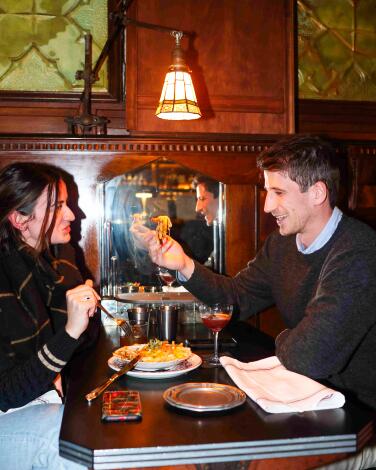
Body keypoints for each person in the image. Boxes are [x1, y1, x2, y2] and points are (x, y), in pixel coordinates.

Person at [131, 134, 376, 412]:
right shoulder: (281, 244)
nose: (267, 206)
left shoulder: (360, 251)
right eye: (268, 191)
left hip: (361, 418)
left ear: (318, 193)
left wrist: (285, 337)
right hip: (307, 398)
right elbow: (235, 298)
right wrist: (184, 264)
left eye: (279, 193)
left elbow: (311, 357)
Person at [0, 162, 100, 469]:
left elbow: (85, 342)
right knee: (77, 451)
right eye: (57, 207)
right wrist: (70, 332)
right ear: (19, 218)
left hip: (40, 401)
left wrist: (82, 319)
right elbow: (8, 392)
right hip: (9, 411)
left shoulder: (56, 262)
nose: (72, 215)